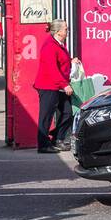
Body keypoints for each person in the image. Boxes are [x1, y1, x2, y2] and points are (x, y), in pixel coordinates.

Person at [34, 19, 74, 153]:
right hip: (48, 86)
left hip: (58, 86)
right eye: (65, 29)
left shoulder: (59, 44)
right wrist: (65, 85)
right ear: (58, 32)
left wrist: (71, 61)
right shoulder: (50, 45)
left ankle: (57, 137)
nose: (67, 31)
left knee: (68, 112)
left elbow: (60, 62)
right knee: (46, 116)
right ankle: (43, 145)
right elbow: (52, 68)